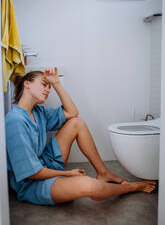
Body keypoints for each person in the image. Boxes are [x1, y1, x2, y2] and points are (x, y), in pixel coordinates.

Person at [5, 67, 156, 206]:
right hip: (32, 182)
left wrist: (56, 83)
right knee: (89, 185)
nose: (48, 90)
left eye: (49, 87)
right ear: (27, 84)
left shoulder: (38, 112)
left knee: (77, 123)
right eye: (44, 84)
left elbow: (72, 112)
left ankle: (103, 172)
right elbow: (32, 172)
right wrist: (68, 174)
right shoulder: (15, 121)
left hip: (45, 163)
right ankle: (130, 187)